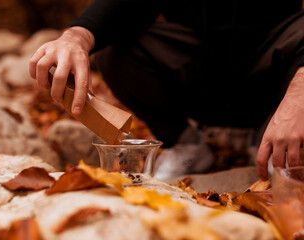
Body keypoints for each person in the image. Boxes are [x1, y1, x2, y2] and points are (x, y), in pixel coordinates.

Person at [29, 0, 304, 180]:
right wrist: (76, 36)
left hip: (276, 71)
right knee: (117, 50)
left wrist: (300, 92)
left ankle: (269, 142)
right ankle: (185, 144)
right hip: (201, 70)